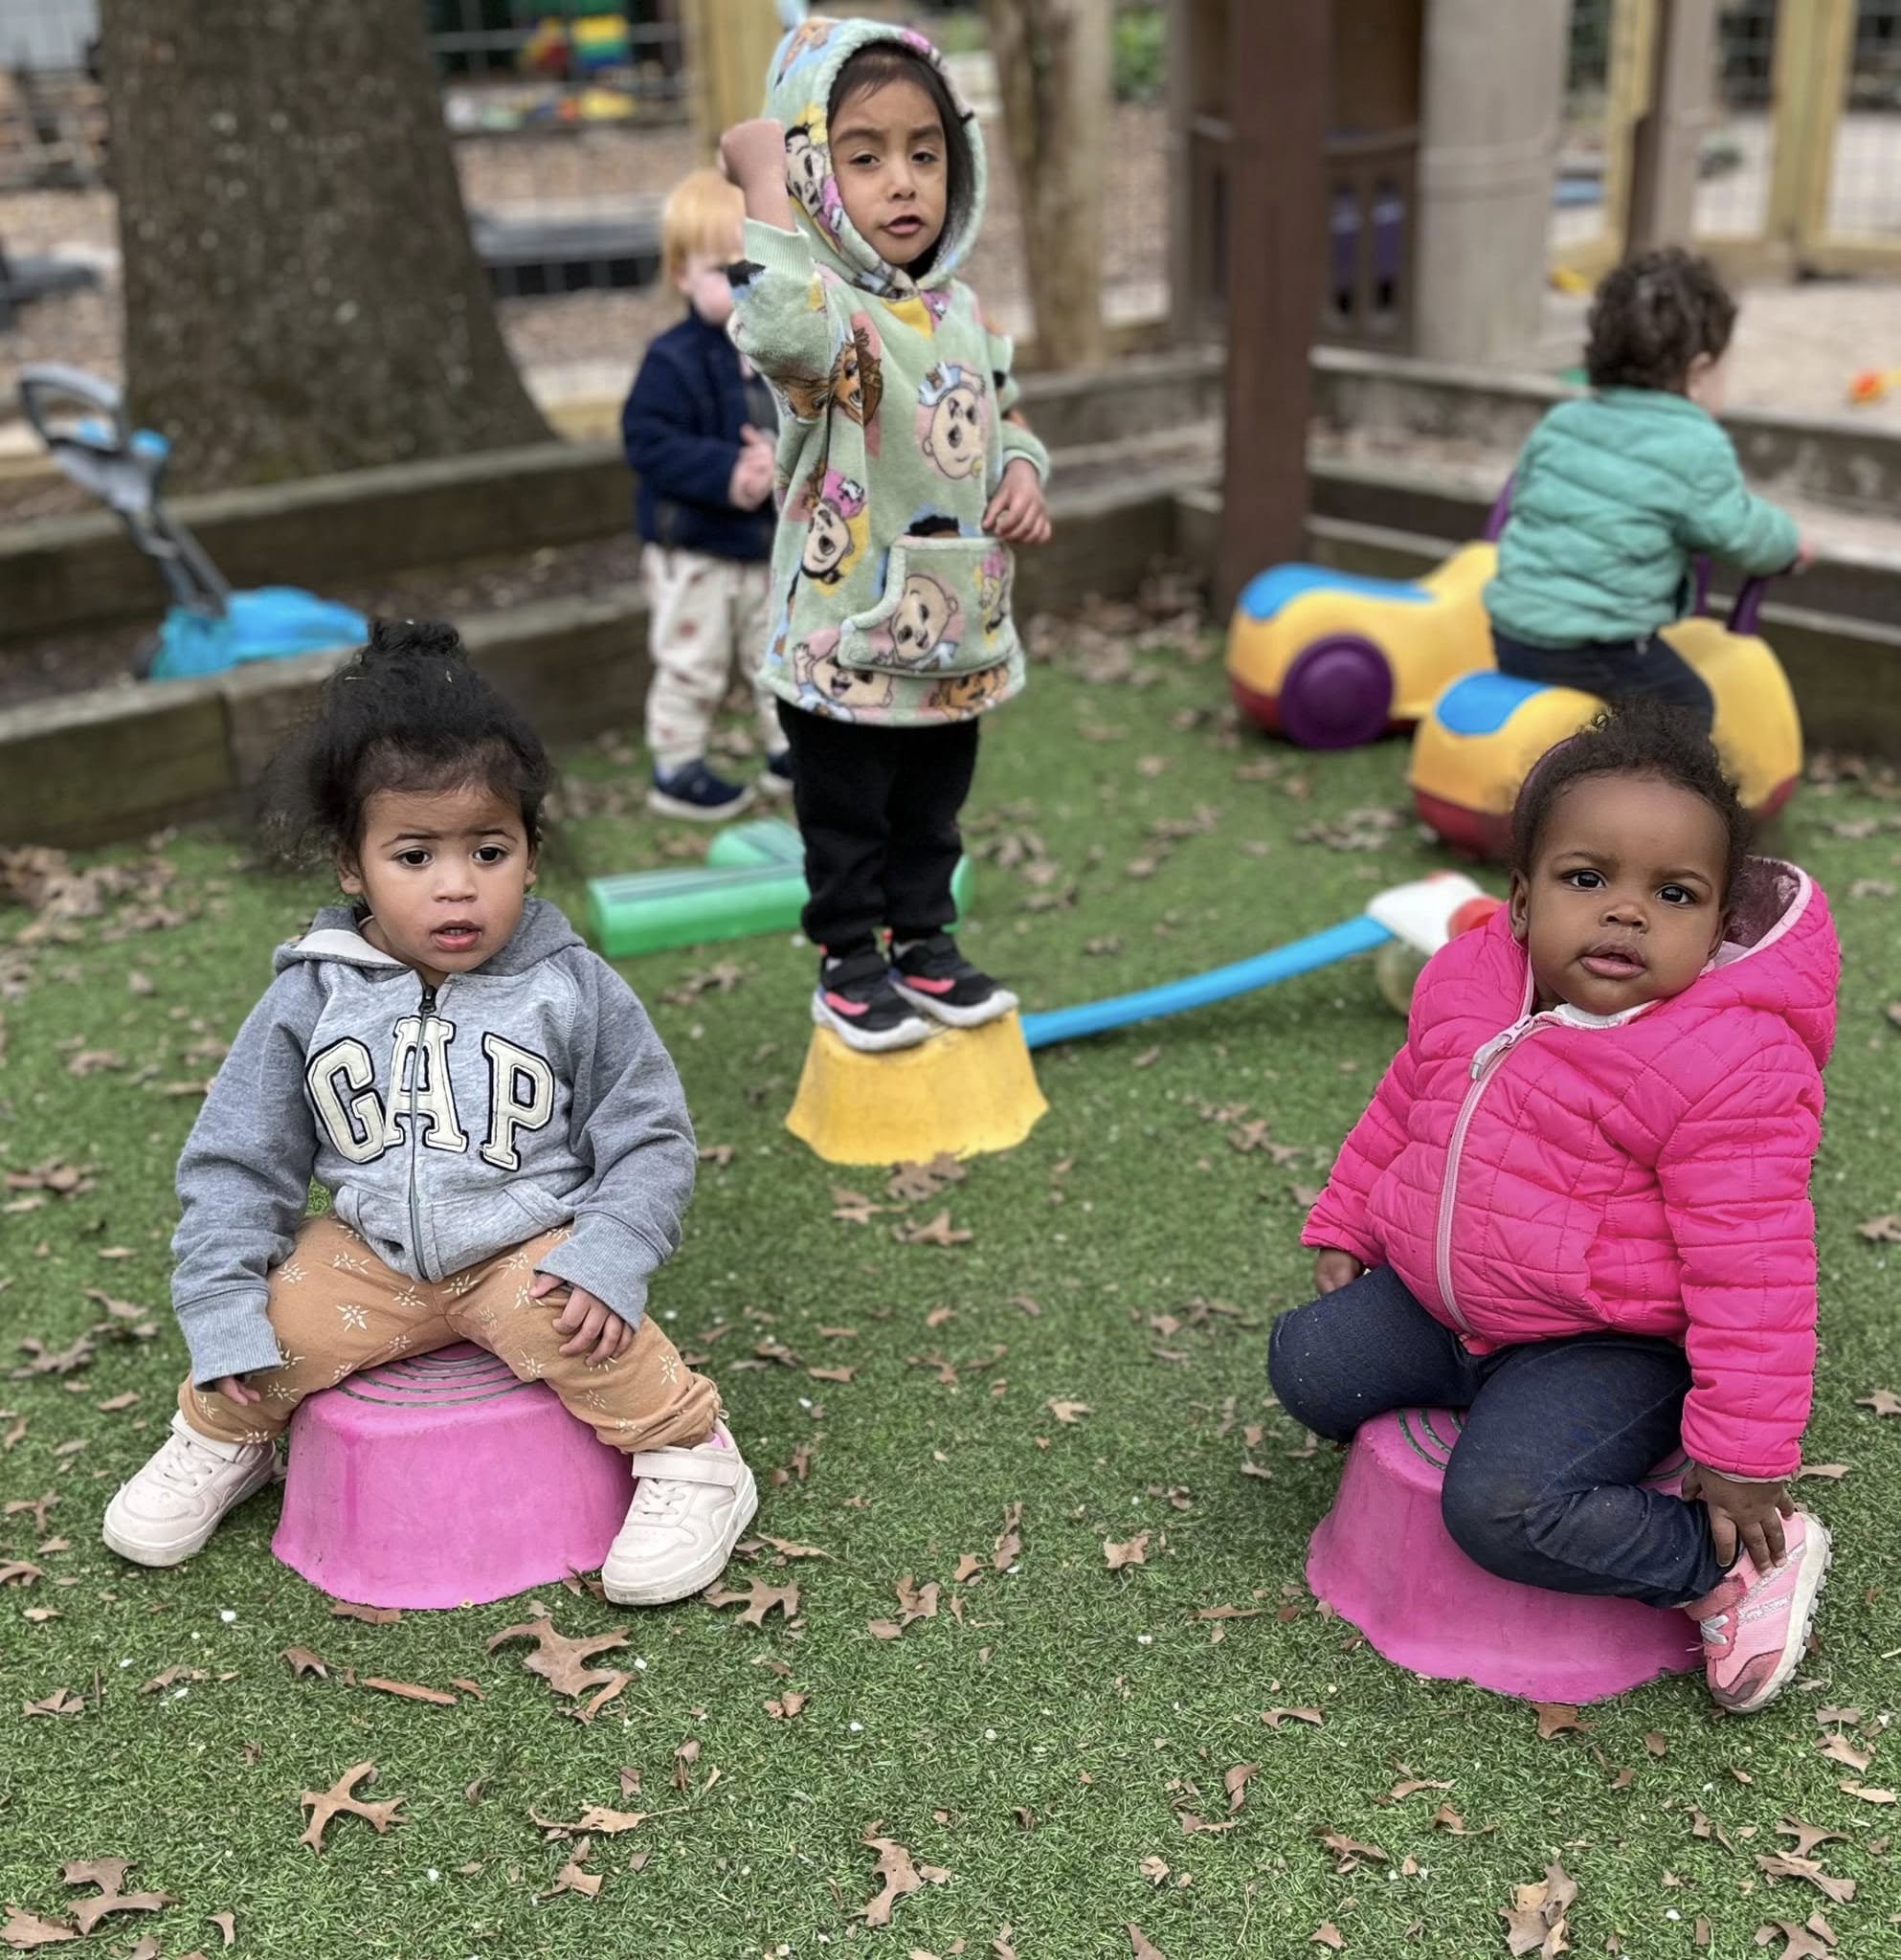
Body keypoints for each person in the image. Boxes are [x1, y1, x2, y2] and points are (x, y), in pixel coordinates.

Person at [101, 621, 756, 1606]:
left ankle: (694, 1456)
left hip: (527, 1248)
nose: (457, 884)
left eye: (489, 848)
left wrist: (612, 1249)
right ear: (351, 865)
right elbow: (239, 1162)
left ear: (530, 853)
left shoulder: (571, 988)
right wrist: (220, 1307)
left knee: (582, 1329)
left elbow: (649, 1134)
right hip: (370, 1254)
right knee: (265, 1334)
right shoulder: (309, 997)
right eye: (414, 854)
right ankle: (224, 1437)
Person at [1270, 700, 1838, 1714]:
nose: (1628, 912)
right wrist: (1351, 1219)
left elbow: (1756, 1268)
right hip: (1459, 1306)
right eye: (1589, 878)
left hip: (1607, 1341)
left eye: (1674, 892)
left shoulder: (1726, 1063)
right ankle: (1495, 1408)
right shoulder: (1470, 980)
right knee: (1308, 1360)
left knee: (1500, 1505)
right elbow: (1407, 1102)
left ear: (1715, 930)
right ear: (1523, 900)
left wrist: (1744, 1453)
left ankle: (1729, 1566)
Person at [719, 16, 1052, 1053]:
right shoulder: (825, 313)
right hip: (843, 636)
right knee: (848, 816)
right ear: (816, 174)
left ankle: (925, 942)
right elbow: (773, 328)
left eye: (925, 153)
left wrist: (1027, 473)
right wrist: (760, 192)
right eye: (865, 158)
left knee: (932, 813)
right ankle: (849, 961)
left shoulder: (961, 310)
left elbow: (1008, 413)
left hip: (957, 632)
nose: (902, 181)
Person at [1484, 248, 1809, 735]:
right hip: (1592, 645)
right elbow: (1737, 529)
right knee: (1687, 705)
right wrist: (1788, 547)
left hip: (1512, 632)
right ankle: (1671, 807)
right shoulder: (1694, 445)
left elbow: (1524, 498)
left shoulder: (1562, 423)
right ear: (1699, 374)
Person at [622, 167, 788, 819]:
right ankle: (678, 766)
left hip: (769, 548)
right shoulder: (673, 360)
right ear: (682, 275)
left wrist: (777, 458)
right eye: (723, 270)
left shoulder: (780, 351)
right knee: (693, 660)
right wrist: (728, 474)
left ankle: (789, 751)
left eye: (754, 268)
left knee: (777, 655)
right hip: (694, 552)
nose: (741, 286)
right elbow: (647, 443)